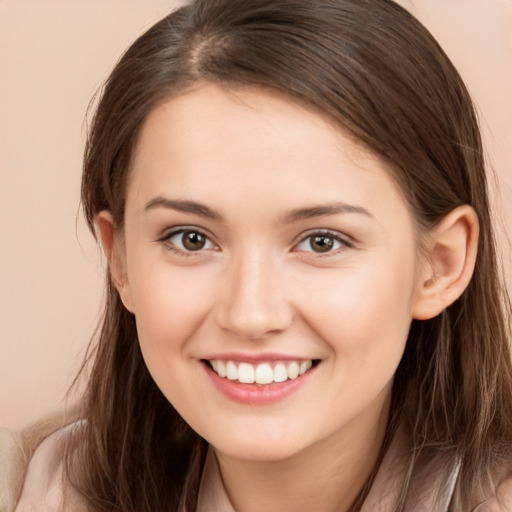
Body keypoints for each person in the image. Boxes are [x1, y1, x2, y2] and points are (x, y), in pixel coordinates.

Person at [3, 0, 512, 510]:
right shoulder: (30, 488)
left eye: (321, 241)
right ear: (120, 259)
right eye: (191, 238)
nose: (250, 314)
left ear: (440, 265)